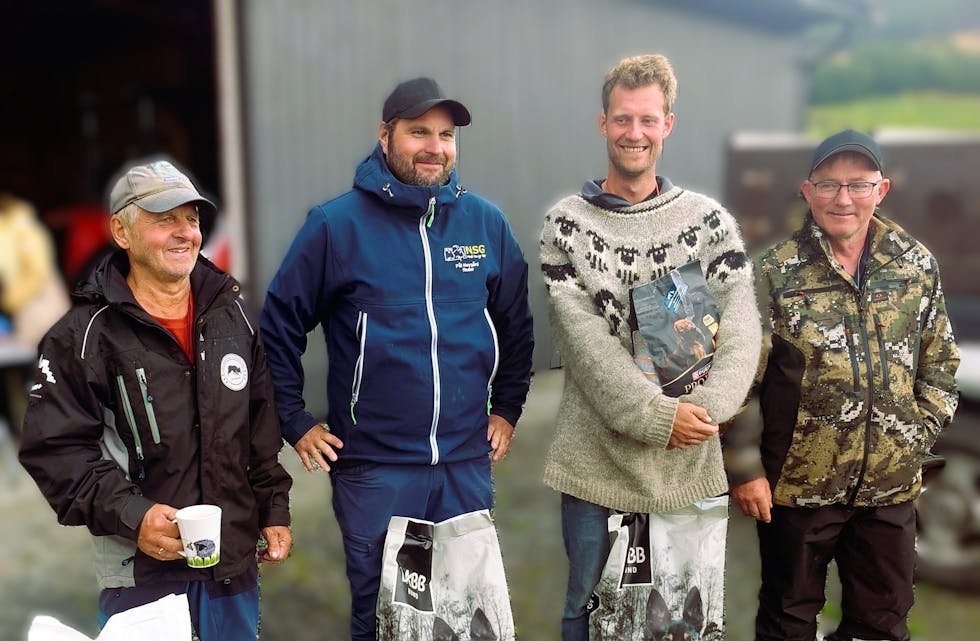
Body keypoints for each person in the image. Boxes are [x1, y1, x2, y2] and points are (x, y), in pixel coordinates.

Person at [259, 76, 534, 640]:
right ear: (385, 136)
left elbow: (517, 324)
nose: (435, 146)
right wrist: (296, 421)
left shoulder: (486, 224)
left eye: (446, 134)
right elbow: (278, 325)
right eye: (419, 132)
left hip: (464, 462)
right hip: (375, 469)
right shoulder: (336, 226)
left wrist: (507, 407)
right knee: (386, 614)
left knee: (463, 609)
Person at [18, 159, 293, 641]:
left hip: (231, 570)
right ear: (120, 233)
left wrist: (273, 509)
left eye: (192, 218)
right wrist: (133, 515)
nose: (184, 232)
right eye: (165, 219)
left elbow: (259, 423)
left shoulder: (234, 317)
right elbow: (55, 451)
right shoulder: (82, 336)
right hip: (141, 577)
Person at [539, 54, 762, 640]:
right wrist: (659, 416)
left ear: (668, 124)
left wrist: (706, 411)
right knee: (589, 610)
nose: (633, 133)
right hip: (597, 466)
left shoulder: (709, 223)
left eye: (647, 120)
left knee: (683, 614)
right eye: (622, 119)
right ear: (602, 124)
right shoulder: (567, 228)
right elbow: (585, 345)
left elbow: (741, 327)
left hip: (691, 460)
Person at [731, 129, 960, 641]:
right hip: (798, 487)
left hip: (889, 490)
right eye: (829, 185)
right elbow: (738, 379)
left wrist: (912, 437)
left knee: (882, 622)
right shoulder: (773, 271)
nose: (843, 198)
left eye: (858, 185)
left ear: (882, 190)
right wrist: (746, 468)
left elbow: (940, 360)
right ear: (806, 191)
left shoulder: (914, 264)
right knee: (788, 621)